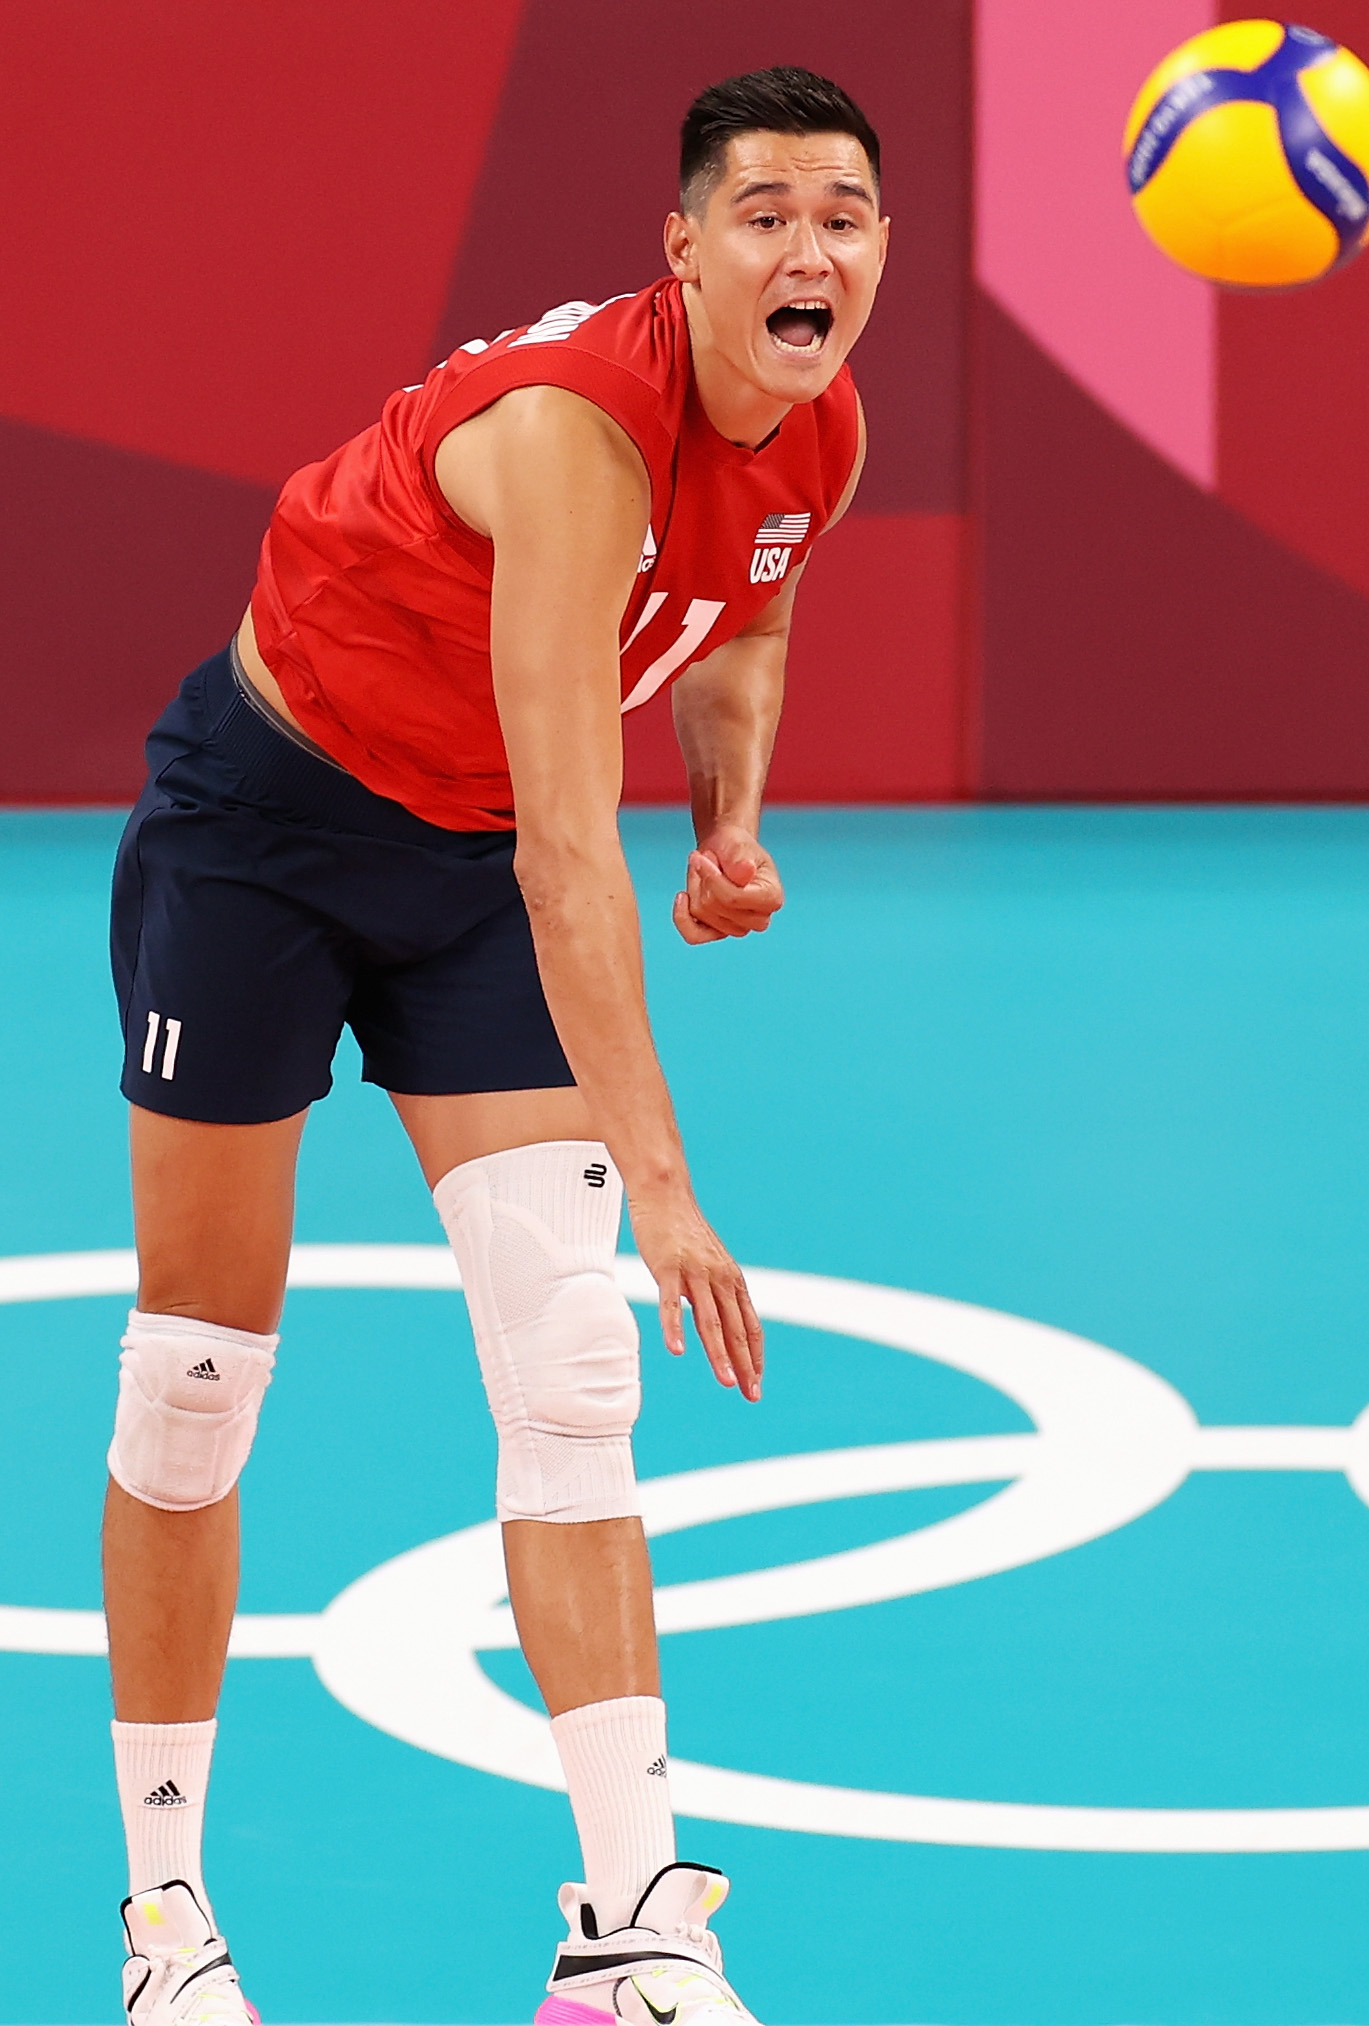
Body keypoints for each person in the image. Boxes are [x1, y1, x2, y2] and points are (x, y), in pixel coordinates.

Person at [99, 65, 886, 2026]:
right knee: (195, 1377)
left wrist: (729, 815)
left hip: (453, 862)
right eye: (766, 214)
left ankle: (632, 1931)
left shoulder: (820, 427)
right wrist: (672, 1189)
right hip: (268, 828)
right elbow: (560, 848)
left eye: (845, 216)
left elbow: (744, 619)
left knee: (572, 1364)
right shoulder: (572, 439)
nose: (809, 250)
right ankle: (167, 1920)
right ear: (681, 247)